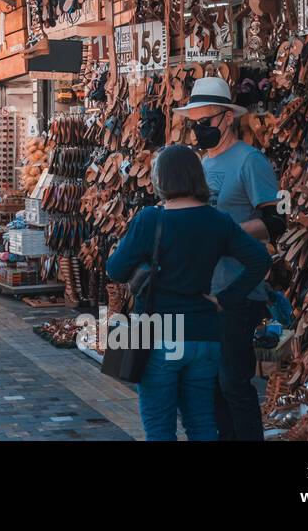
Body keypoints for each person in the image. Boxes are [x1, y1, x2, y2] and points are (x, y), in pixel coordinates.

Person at [106, 145, 271, 442]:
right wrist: (226, 298)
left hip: (160, 331)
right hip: (205, 331)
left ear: (162, 179)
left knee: (160, 427)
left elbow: (115, 269)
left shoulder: (149, 219)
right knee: (202, 423)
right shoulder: (217, 220)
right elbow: (260, 260)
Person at [174, 76, 285, 442]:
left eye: (205, 123)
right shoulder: (201, 164)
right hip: (202, 291)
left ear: (227, 118)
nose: (199, 130)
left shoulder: (250, 162)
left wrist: (225, 232)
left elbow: (275, 222)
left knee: (233, 381)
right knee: (210, 384)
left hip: (237, 291)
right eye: (195, 124)